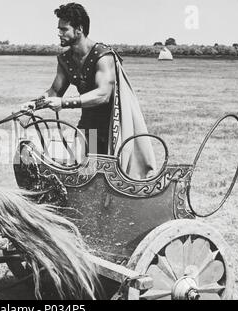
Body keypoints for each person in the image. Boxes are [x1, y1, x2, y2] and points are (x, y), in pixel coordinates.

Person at [23, 2, 156, 179]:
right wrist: (34, 104)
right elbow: (55, 91)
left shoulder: (103, 56)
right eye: (59, 29)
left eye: (64, 29)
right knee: (83, 173)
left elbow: (103, 95)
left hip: (113, 127)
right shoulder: (66, 59)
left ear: (79, 29)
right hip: (87, 125)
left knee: (114, 178)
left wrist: (63, 103)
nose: (59, 33)